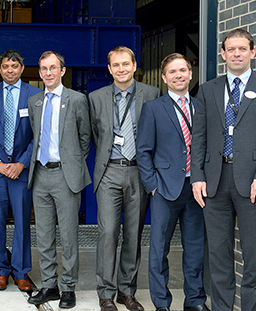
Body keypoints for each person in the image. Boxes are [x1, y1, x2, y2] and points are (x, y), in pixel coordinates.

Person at [190, 28, 256, 311]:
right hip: (215, 182)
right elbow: (200, 138)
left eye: (242, 49)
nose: (236, 54)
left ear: (252, 52)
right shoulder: (208, 89)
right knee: (219, 257)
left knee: (254, 257)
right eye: (231, 49)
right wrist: (197, 177)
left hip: (253, 184)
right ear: (222, 54)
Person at [88, 46, 160, 311]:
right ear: (109, 69)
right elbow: (96, 135)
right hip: (109, 171)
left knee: (133, 233)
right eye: (115, 65)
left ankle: (126, 291)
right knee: (107, 232)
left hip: (139, 171)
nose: (121, 69)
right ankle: (105, 293)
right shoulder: (96, 97)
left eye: (125, 64)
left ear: (134, 65)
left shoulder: (151, 94)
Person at [136, 53, 208, 311]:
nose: (178, 75)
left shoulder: (202, 106)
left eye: (183, 70)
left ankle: (195, 301)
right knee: (158, 250)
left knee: (195, 249)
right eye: (173, 72)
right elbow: (143, 150)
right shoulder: (154, 108)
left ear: (190, 74)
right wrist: (152, 185)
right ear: (164, 78)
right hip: (165, 188)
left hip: (197, 188)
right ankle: (162, 303)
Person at [26, 51, 91, 309]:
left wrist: (71, 163)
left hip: (66, 175)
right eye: (44, 69)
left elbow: (84, 138)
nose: (48, 73)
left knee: (68, 235)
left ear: (62, 71)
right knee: (43, 235)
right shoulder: (35, 101)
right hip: (40, 174)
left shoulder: (77, 100)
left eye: (53, 68)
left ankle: (68, 288)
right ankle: (49, 285)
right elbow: (35, 134)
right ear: (40, 72)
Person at [0, 49, 41, 292]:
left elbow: (38, 135)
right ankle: (1, 271)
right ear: (0, 68)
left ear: (22, 69)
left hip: (21, 170)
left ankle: (21, 271)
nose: (10, 70)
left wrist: (21, 163)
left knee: (23, 222)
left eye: (15, 67)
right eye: (6, 66)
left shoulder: (35, 94)